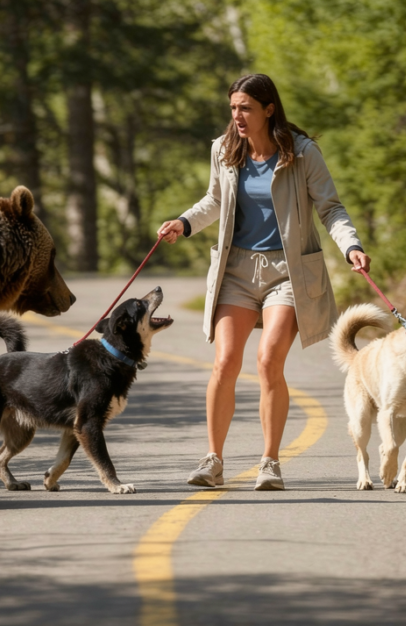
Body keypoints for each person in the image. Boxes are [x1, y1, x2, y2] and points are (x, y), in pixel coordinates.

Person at [158, 73, 370, 491]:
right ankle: (213, 460)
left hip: (287, 272)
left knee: (269, 361)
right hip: (236, 270)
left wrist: (351, 246)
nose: (237, 115)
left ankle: (270, 461)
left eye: (246, 108)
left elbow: (330, 207)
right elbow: (215, 201)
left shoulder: (302, 154)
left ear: (268, 109)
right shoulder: (224, 150)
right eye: (233, 107)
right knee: (225, 363)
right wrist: (183, 222)